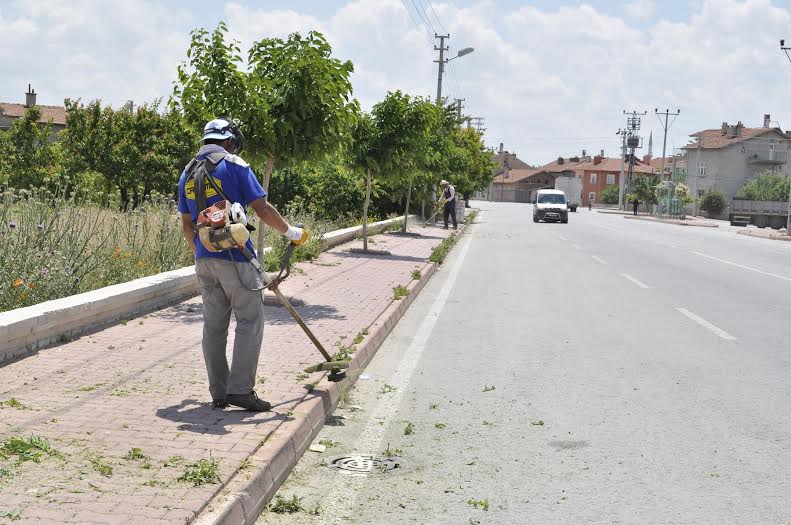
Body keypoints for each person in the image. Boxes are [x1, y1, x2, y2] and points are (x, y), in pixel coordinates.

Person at [178, 118, 307, 412]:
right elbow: (261, 208)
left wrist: (201, 253)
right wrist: (291, 232)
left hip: (204, 260)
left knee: (214, 327)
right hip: (236, 258)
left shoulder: (187, 172)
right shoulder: (235, 164)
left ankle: (219, 393)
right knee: (249, 321)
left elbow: (187, 224)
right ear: (228, 141)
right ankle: (241, 390)